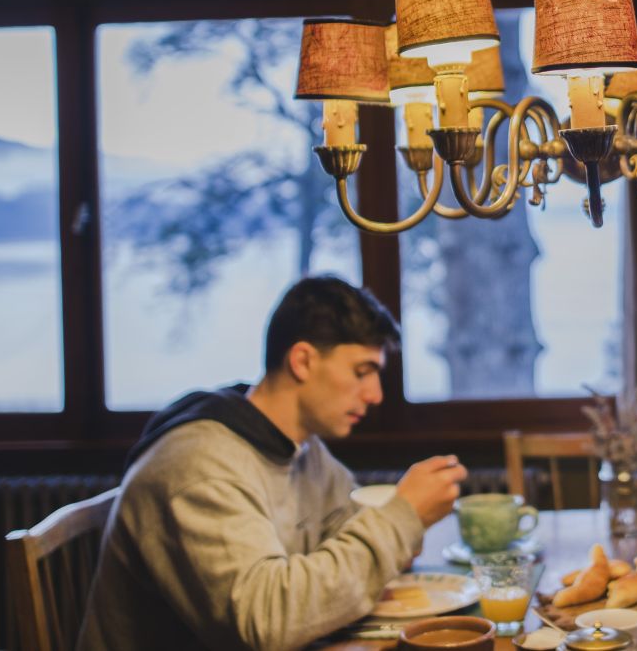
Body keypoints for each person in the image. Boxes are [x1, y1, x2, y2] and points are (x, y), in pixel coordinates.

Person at [78, 276, 468, 651]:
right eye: (362, 372)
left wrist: (399, 532)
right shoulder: (199, 467)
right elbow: (263, 624)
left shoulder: (302, 449)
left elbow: (343, 540)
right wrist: (400, 519)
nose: (376, 395)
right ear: (302, 361)